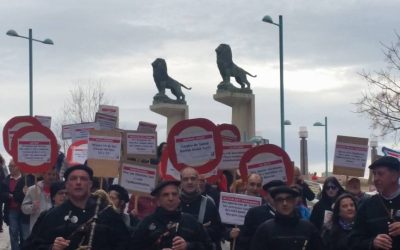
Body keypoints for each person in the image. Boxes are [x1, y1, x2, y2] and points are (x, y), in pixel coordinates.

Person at [23, 164, 129, 250]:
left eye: (83, 179)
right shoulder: (51, 216)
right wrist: (51, 247)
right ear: (67, 185)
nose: (78, 182)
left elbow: (125, 245)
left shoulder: (107, 214)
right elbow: (30, 246)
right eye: (73, 179)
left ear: (90, 184)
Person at [130, 180, 213, 249]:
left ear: (179, 198)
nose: (171, 198)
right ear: (158, 201)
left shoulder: (190, 221)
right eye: (166, 195)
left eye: (174, 194)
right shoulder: (147, 223)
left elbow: (208, 246)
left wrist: (188, 246)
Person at [349, 156, 400, 250]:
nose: (375, 179)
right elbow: (353, 241)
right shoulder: (366, 205)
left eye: (380, 174)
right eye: (374, 174)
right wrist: (372, 243)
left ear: (395, 176)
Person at [250, 185, 324, 250]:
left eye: (288, 199)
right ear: (275, 203)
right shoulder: (264, 230)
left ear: (294, 202)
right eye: (280, 200)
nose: (284, 203)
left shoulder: (308, 228)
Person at [179, 167, 224, 250]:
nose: (190, 182)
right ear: (181, 182)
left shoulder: (208, 204)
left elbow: (218, 231)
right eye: (186, 179)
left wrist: (201, 230)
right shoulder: (174, 202)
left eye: (193, 178)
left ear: (198, 181)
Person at [236, 180, 284, 250]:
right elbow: (244, 239)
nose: (275, 196)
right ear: (267, 195)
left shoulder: (291, 212)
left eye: (278, 193)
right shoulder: (254, 212)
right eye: (272, 193)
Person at [21, 167, 58, 231]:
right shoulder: (33, 189)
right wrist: (32, 207)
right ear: (43, 174)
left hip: (53, 227)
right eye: (49, 174)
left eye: (53, 175)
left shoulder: (59, 190)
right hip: (37, 227)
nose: (51, 177)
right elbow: (24, 208)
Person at [2, 160, 25, 250]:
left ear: (18, 166)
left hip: (24, 210)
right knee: (14, 232)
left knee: (24, 233)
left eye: (13, 166)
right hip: (11, 210)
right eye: (9, 166)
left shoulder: (25, 179)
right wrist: (7, 195)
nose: (11, 168)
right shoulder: (6, 180)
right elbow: (2, 194)